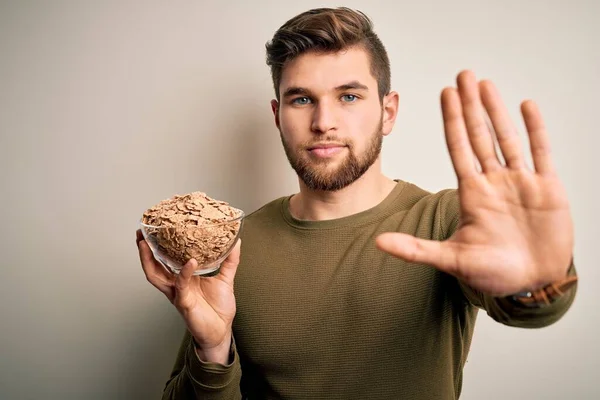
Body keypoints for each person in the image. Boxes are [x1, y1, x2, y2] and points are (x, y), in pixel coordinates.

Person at [136, 7, 578, 399]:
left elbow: (530, 306)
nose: (323, 122)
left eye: (349, 96)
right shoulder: (235, 246)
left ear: (388, 112)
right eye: (302, 99)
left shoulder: (447, 221)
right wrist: (212, 351)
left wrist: (537, 284)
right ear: (277, 116)